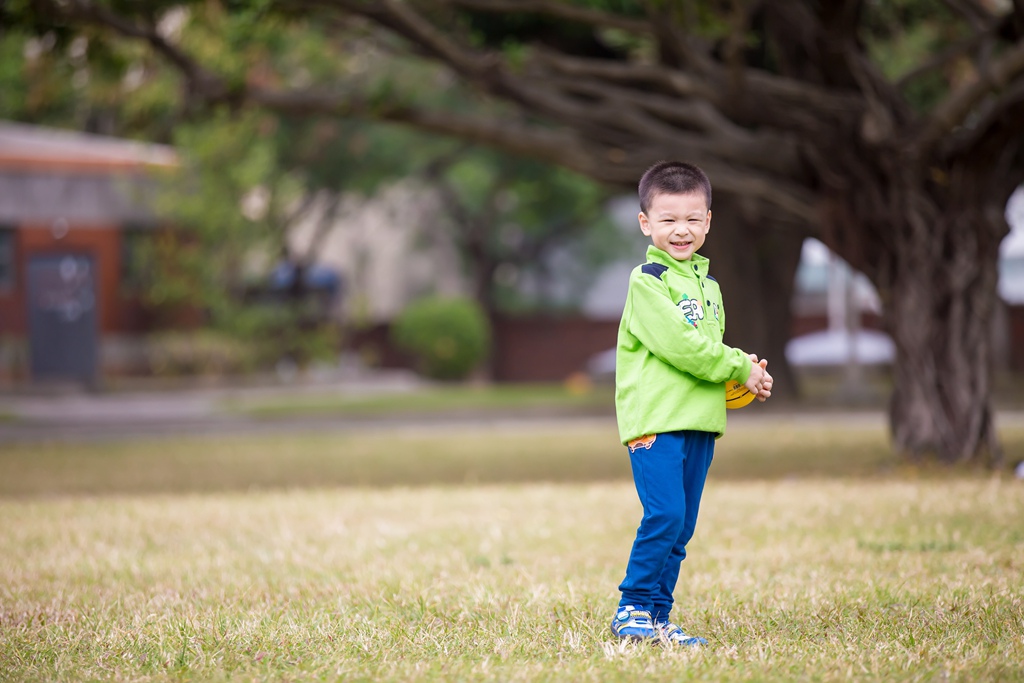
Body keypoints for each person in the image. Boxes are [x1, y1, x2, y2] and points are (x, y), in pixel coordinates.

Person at [610, 161, 772, 647]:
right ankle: (631, 608)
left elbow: (707, 358)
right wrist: (737, 363)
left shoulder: (710, 286)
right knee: (664, 515)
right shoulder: (648, 281)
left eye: (692, 218)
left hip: (700, 421)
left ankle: (658, 617)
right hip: (656, 421)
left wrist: (747, 375)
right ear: (646, 223)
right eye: (667, 219)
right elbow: (684, 348)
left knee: (682, 527)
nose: (681, 230)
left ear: (708, 221)